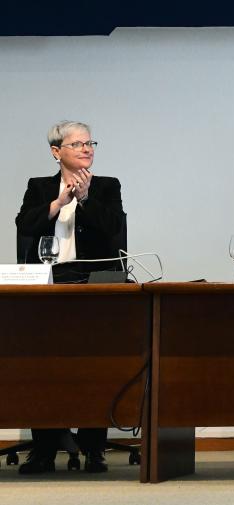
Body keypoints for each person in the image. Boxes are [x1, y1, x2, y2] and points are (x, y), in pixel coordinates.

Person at [14, 120, 126, 474]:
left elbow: (114, 230)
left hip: (94, 284)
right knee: (44, 367)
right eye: (77, 144)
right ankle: (44, 450)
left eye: (90, 142)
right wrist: (58, 201)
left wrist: (86, 199)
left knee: (96, 365)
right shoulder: (40, 187)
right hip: (48, 284)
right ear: (56, 151)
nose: (87, 148)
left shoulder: (107, 186)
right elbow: (25, 224)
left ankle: (94, 448)